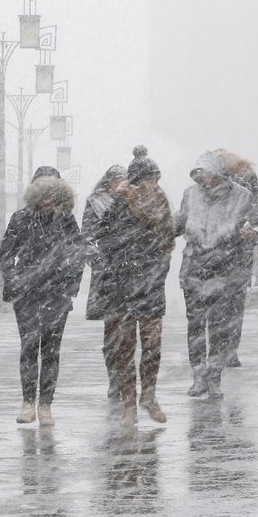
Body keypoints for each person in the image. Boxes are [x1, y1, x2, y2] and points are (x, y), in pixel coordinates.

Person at [85, 149, 175, 426]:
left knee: (152, 346)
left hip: (150, 285)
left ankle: (149, 397)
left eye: (155, 179)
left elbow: (168, 240)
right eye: (148, 179)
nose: (153, 185)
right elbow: (105, 240)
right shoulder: (119, 204)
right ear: (137, 180)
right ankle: (129, 404)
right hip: (123, 285)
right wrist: (124, 261)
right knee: (125, 347)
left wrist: (155, 268)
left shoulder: (161, 203)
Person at [0, 166, 86, 425]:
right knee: (29, 349)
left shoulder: (66, 220)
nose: (48, 198)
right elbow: (6, 253)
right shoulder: (20, 219)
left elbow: (78, 254)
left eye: (53, 191)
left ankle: (45, 405)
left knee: (50, 351)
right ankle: (28, 402)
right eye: (43, 191)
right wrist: (14, 279)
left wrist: (70, 288)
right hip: (27, 295)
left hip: (57, 294)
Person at [175, 150, 258, 398]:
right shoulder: (190, 195)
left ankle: (214, 377)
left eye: (208, 173)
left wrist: (253, 233)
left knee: (219, 328)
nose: (204, 178)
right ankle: (199, 376)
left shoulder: (242, 197)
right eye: (199, 173)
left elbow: (256, 224)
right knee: (196, 327)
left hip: (224, 270)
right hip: (194, 269)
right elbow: (179, 224)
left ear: (220, 173)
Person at [218, 150, 258, 367]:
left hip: (234, 253)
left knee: (229, 303)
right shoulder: (216, 180)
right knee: (231, 304)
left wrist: (248, 226)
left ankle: (226, 349)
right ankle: (227, 349)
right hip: (228, 254)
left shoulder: (245, 179)